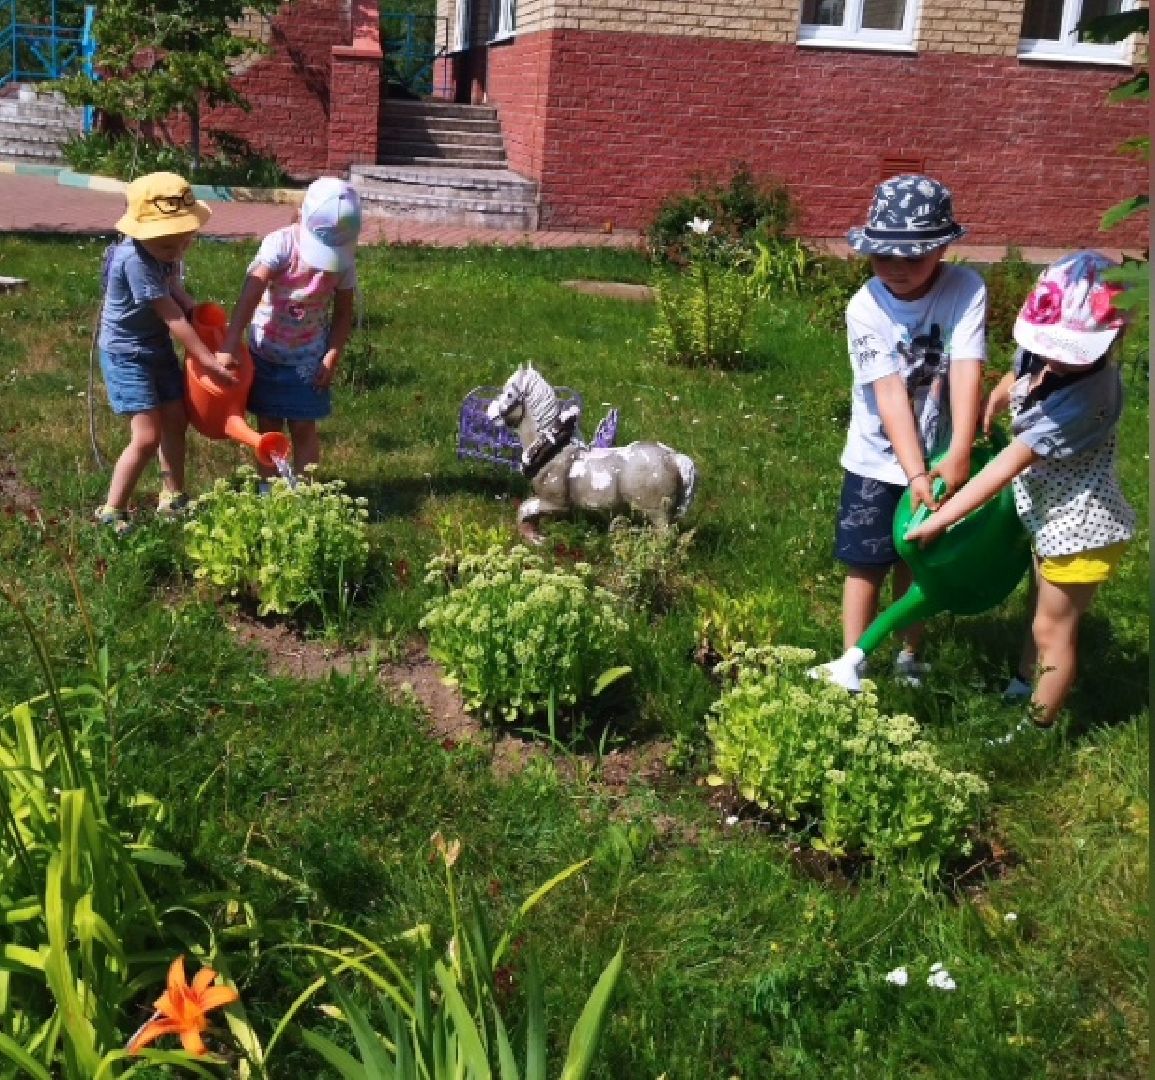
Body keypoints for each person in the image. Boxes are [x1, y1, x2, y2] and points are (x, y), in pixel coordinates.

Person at [905, 251, 1135, 728]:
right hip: (1050, 517)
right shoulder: (1048, 361)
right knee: (1039, 612)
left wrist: (941, 518)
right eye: (1048, 346)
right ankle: (1024, 685)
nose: (1055, 358)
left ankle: (1037, 730)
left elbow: (1005, 467)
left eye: (1070, 351)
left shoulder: (1087, 399)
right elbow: (1026, 372)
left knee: (1053, 631)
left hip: (1081, 529)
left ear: (1114, 337)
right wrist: (1000, 392)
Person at [833, 174, 987, 685]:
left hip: (941, 456)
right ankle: (852, 662)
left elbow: (966, 367)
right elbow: (890, 396)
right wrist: (913, 472)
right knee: (865, 563)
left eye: (913, 257)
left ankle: (908, 656)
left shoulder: (966, 289)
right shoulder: (865, 307)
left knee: (917, 558)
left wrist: (958, 451)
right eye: (883, 256)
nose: (897, 268)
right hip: (875, 460)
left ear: (943, 248)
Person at [95, 172, 238, 536]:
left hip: (155, 345)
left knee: (176, 419)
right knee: (146, 436)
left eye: (183, 243)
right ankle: (113, 509)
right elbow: (171, 316)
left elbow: (173, 287)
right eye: (167, 247)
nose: (175, 252)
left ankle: (173, 496)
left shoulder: (163, 249)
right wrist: (207, 359)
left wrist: (196, 309)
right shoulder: (135, 260)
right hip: (127, 353)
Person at [215, 176, 362, 482]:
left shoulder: (344, 261)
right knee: (269, 426)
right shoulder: (281, 244)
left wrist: (331, 356)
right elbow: (251, 291)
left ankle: (305, 490)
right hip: (265, 354)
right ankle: (270, 488)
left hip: (309, 361)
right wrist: (230, 342)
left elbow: (343, 313)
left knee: (304, 426)